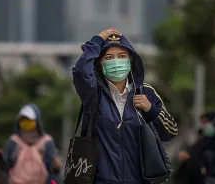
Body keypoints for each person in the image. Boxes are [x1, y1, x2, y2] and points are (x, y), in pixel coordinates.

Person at [72, 28, 178, 184]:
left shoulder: (146, 92)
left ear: (130, 60)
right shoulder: (94, 94)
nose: (116, 62)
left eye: (122, 56)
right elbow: (81, 73)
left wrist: (150, 110)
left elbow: (170, 131)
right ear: (100, 63)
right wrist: (98, 39)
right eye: (109, 57)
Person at [0, 104, 62, 184]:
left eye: (29, 120)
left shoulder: (46, 142)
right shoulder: (14, 141)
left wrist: (56, 165)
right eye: (23, 120)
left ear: (37, 121)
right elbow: (6, 167)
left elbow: (53, 170)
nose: (26, 123)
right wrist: (0, 159)